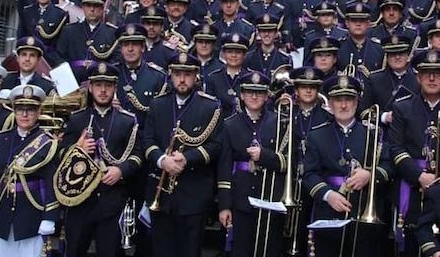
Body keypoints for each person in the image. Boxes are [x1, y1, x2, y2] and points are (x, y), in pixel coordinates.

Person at [387, 50, 440, 257]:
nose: (432, 78)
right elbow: (395, 148)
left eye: (438, 73)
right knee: (408, 242)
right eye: (427, 73)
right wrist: (419, 176)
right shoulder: (402, 107)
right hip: (410, 185)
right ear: (418, 77)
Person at [142, 53, 223, 257]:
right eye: (178, 74)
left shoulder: (210, 106)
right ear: (171, 76)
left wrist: (188, 158)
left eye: (187, 74)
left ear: (196, 76)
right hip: (161, 194)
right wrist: (162, 160)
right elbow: (147, 141)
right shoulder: (157, 104)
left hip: (193, 193)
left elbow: (215, 146)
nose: (182, 79)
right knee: (161, 251)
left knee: (190, 251)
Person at [303, 74, 393, 257]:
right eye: (338, 100)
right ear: (330, 104)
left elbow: (389, 167)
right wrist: (328, 195)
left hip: (364, 214)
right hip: (329, 213)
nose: (343, 105)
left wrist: (370, 175)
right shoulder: (316, 135)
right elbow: (309, 174)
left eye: (348, 100)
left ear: (357, 102)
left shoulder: (373, 133)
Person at [60, 63, 144, 257]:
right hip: (80, 201)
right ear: (90, 88)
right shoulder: (77, 119)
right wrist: (78, 149)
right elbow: (61, 155)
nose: (103, 90)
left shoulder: (127, 121)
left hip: (112, 201)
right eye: (98, 85)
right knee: (74, 251)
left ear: (115, 88)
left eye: (107, 85)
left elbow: (137, 155)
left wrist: (121, 170)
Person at [217, 72, 286, 257]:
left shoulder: (279, 122)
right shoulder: (230, 124)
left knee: (269, 249)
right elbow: (224, 168)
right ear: (241, 95)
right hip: (241, 197)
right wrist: (225, 205)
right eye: (249, 92)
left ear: (266, 96)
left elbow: (287, 162)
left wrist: (264, 156)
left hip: (270, 194)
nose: (254, 97)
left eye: (259, 92)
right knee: (241, 249)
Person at [0, 85, 60, 256]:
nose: (24, 115)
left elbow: (51, 182)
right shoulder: (2, 139)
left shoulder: (46, 142)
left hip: (32, 217)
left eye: (30, 110)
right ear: (14, 112)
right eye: (20, 110)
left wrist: (49, 217)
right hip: (3, 214)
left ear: (38, 112)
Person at [285, 67, 332, 254]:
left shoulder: (328, 117)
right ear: (296, 89)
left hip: (316, 178)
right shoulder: (287, 114)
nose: (308, 90)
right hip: (290, 176)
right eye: (303, 86)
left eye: (312, 87)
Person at [57, 0, 119, 83]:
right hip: (72, 80)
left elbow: (116, 60)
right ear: (83, 7)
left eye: (96, 6)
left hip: (100, 82)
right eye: (88, 5)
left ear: (102, 8)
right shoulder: (69, 31)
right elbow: (59, 57)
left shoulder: (112, 33)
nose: (92, 9)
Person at [114, 23, 167, 125]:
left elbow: (161, 115)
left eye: (134, 44)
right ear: (121, 49)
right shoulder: (112, 74)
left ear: (142, 47)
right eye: (126, 45)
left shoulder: (158, 76)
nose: (130, 49)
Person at [17, 0, 68, 66]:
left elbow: (61, 44)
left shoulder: (61, 14)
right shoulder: (27, 11)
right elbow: (21, 35)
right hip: (28, 56)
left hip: (49, 59)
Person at [361, 34, 418, 111]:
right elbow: (365, 109)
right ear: (387, 58)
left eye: (401, 53)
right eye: (393, 54)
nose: (397, 57)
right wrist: (384, 116)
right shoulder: (374, 80)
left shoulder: (419, 79)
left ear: (408, 57)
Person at [205, 33, 253, 117]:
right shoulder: (213, 78)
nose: (233, 55)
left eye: (238, 52)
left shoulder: (250, 78)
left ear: (244, 55)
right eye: (230, 52)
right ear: (224, 54)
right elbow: (209, 107)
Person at [337, 2, 384, 80]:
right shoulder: (338, 48)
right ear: (347, 23)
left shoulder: (379, 49)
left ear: (368, 23)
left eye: (362, 20)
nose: (358, 24)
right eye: (354, 20)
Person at [245, 13, 292, 77]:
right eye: (263, 31)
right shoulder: (249, 58)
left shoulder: (285, 59)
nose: (266, 34)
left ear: (276, 33)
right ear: (258, 33)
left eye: (270, 31)